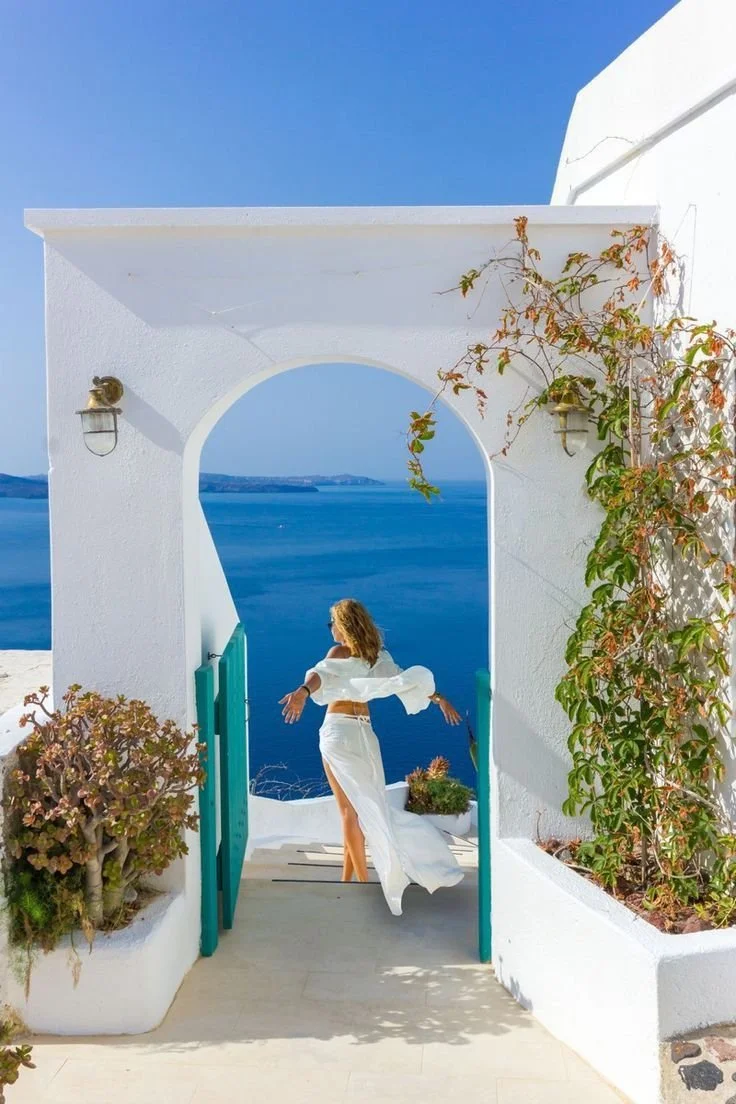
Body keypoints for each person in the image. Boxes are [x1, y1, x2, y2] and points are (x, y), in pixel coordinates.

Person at [279, 598, 465, 916]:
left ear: (343, 625)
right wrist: (439, 699)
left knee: (349, 812)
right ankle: (347, 880)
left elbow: (319, 676)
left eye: (332, 623)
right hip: (366, 736)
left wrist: (302, 692)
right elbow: (405, 681)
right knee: (365, 808)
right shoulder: (376, 657)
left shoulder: (339, 653)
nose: (331, 629)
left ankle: (361, 884)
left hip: (339, 733)